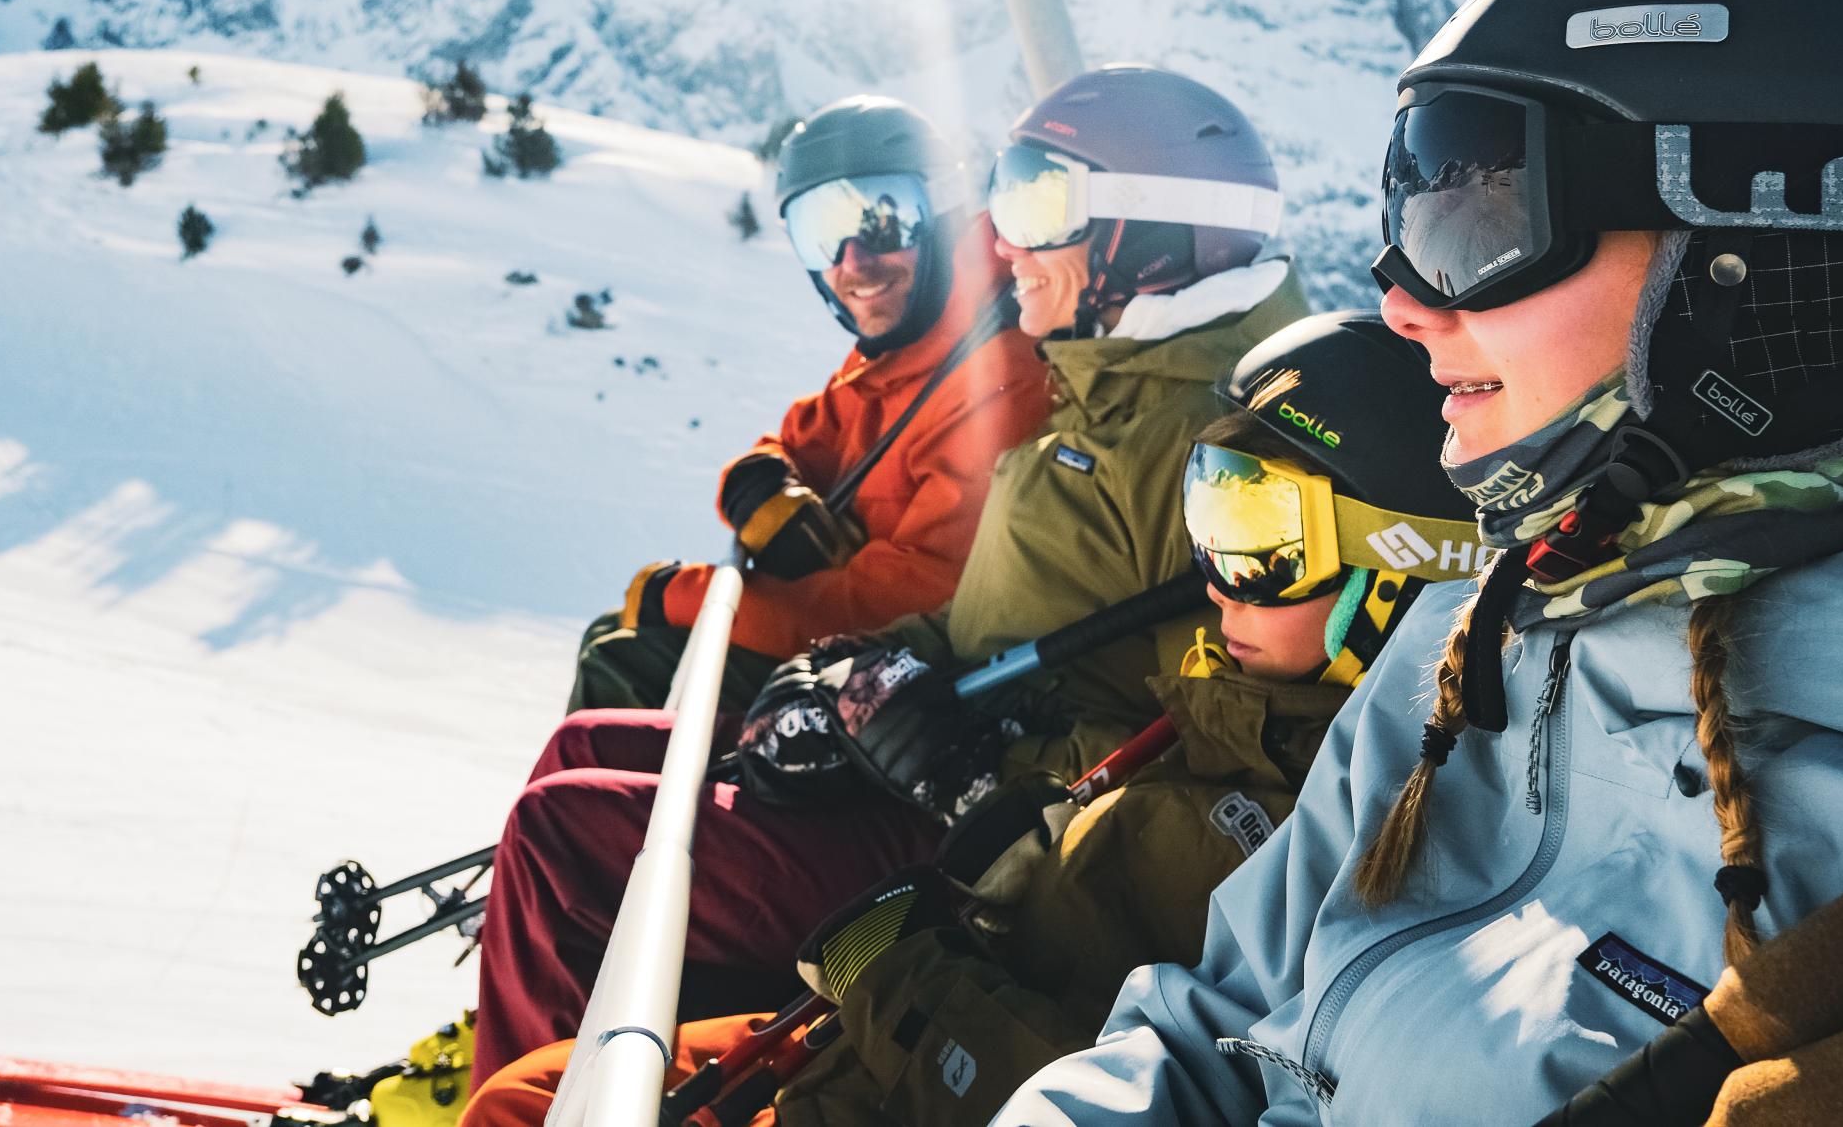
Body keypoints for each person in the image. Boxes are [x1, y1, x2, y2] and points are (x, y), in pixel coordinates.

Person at [989, 0, 1843, 1126]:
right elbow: (1207, 1027)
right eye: (1413, 202)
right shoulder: (1461, 654)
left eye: (1475, 216)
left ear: (1749, 272)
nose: (1405, 306)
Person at [467, 64, 1309, 1083]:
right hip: (928, 767)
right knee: (594, 739)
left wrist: (966, 755)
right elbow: (974, 607)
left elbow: (1222, 769)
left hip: (982, 839)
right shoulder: (1104, 387)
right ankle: (549, 1028)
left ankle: (548, 1078)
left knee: (569, 835)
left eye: (1036, 203)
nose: (1000, 245)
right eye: (1001, 199)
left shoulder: (1203, 449)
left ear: (1149, 232)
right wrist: (855, 674)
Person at [459, 313, 1483, 1127]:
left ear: (1405, 569)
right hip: (865, 1052)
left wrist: (893, 965)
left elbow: (1115, 1090)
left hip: (905, 1057)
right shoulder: (1227, 709)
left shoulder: (1341, 835)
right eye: (1209, 516)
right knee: (529, 1093)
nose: (1211, 582)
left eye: (1261, 536)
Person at [568, 94, 1050, 713]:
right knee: (615, 640)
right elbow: (808, 435)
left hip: (917, 683)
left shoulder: (997, 372)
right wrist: (758, 483)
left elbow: (899, 606)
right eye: (819, 235)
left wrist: (686, 594)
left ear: (945, 217)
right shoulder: (911, 339)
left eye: (885, 222)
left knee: (625, 659)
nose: (853, 263)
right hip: (852, 653)